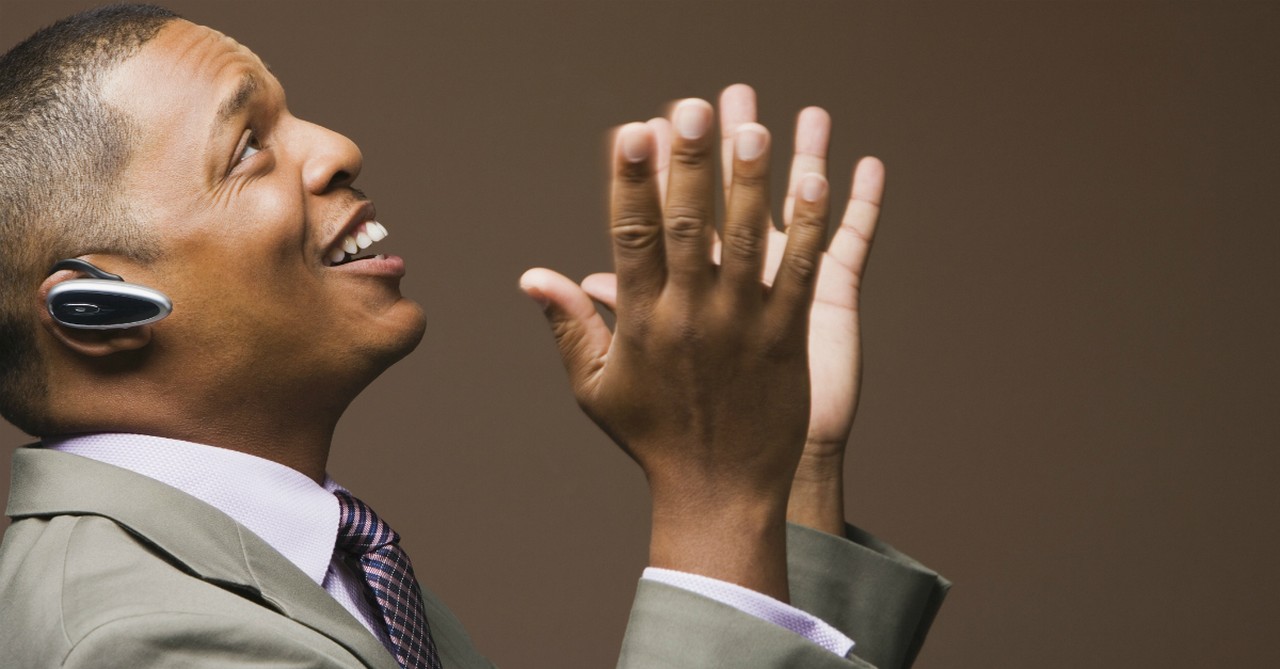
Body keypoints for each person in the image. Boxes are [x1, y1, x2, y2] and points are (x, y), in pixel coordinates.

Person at [0, 5, 947, 668]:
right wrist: (713, 489)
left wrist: (791, 464)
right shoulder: (132, 637)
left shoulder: (300, 564)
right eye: (249, 145)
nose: (335, 147)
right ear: (95, 307)